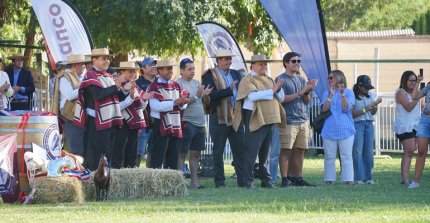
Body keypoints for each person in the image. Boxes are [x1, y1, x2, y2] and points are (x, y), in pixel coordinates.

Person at [73, 48, 132, 170]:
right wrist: (116, 86)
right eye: (103, 58)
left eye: (108, 58)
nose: (107, 61)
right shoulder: (90, 76)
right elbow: (98, 95)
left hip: (108, 122)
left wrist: (125, 90)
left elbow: (114, 98)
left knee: (106, 155)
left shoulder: (107, 75)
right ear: (94, 60)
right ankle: (96, 181)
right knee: (96, 157)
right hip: (96, 124)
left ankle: (103, 180)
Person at [233, 54, 286, 189]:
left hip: (268, 117)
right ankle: (247, 180)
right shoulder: (247, 80)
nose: (264, 66)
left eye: (265, 64)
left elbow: (280, 97)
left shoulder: (269, 79)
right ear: (252, 66)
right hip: (254, 116)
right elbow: (251, 96)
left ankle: (265, 179)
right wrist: (273, 89)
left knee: (265, 152)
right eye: (261, 64)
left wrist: (278, 89)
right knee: (251, 151)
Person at [201, 49, 245, 188]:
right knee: (218, 150)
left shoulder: (235, 73)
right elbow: (211, 96)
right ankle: (219, 181)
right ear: (217, 61)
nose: (228, 61)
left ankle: (243, 181)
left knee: (240, 149)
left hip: (236, 116)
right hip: (218, 117)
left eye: (229, 59)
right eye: (225, 59)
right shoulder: (209, 75)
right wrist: (229, 91)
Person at [276, 52, 317, 187]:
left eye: (299, 61)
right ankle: (285, 179)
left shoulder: (301, 79)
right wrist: (300, 92)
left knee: (300, 150)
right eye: (294, 61)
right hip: (288, 121)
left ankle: (297, 178)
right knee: (286, 150)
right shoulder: (280, 79)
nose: (297, 63)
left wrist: (308, 91)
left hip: (303, 120)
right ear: (286, 63)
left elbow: (306, 101)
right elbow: (281, 100)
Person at [176, 58, 212, 188]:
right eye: (189, 69)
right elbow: (182, 102)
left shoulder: (197, 83)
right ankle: (179, 183)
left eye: (193, 69)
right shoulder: (178, 84)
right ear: (182, 71)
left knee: (196, 153)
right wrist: (197, 96)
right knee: (182, 153)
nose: (192, 71)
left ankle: (194, 182)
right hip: (187, 122)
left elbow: (199, 100)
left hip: (200, 124)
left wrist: (204, 95)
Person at [147, 59, 189, 169]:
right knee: (158, 156)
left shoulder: (176, 85)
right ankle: (155, 182)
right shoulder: (154, 86)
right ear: (159, 71)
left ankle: (171, 182)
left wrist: (182, 103)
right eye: (167, 69)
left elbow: (184, 103)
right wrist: (175, 102)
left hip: (175, 123)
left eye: (171, 68)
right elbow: (154, 106)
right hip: (160, 124)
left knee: (173, 157)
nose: (170, 71)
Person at [111, 61, 152, 168]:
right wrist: (130, 98)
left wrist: (144, 99)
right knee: (118, 154)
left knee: (131, 153)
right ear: (121, 72)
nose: (133, 74)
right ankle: (116, 176)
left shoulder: (136, 85)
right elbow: (115, 107)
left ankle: (129, 176)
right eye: (130, 71)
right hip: (121, 123)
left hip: (134, 124)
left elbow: (140, 108)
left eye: (134, 72)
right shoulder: (115, 85)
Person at [321, 70, 355, 185]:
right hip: (329, 130)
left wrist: (341, 93)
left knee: (346, 156)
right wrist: (330, 95)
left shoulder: (349, 93)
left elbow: (346, 108)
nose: (330, 80)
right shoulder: (326, 93)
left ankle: (348, 179)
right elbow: (324, 108)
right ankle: (329, 179)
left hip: (346, 130)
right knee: (329, 157)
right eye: (329, 78)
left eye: (332, 78)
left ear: (339, 78)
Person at [52, 54, 89, 156]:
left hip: (78, 116)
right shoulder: (64, 77)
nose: (84, 67)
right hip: (70, 118)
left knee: (79, 148)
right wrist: (85, 86)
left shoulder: (77, 78)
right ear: (75, 65)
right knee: (73, 149)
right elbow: (69, 95)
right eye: (82, 65)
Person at [351, 75, 382, 184]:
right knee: (357, 151)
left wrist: (375, 106)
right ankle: (358, 178)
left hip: (369, 124)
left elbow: (373, 112)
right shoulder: (352, 96)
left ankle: (368, 177)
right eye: (366, 87)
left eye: (369, 88)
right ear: (359, 86)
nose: (368, 90)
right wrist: (366, 109)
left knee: (368, 152)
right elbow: (352, 114)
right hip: (357, 124)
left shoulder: (372, 95)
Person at [393, 71, 421, 187]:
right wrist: (417, 97)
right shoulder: (401, 92)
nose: (413, 83)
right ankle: (405, 179)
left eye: (415, 81)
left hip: (416, 125)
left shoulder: (416, 93)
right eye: (411, 80)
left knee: (409, 152)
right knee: (409, 151)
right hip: (405, 126)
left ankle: (404, 178)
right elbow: (408, 107)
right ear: (405, 80)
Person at [135, 57, 157, 167]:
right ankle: (134, 175)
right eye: (151, 65)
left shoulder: (160, 82)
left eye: (155, 65)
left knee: (153, 152)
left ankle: (150, 177)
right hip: (143, 124)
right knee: (137, 152)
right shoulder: (137, 83)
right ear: (143, 68)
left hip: (157, 123)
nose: (154, 67)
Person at [410, 72, 430, 189]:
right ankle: (415, 182)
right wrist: (418, 81)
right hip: (425, 119)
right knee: (421, 151)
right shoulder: (428, 87)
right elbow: (414, 96)